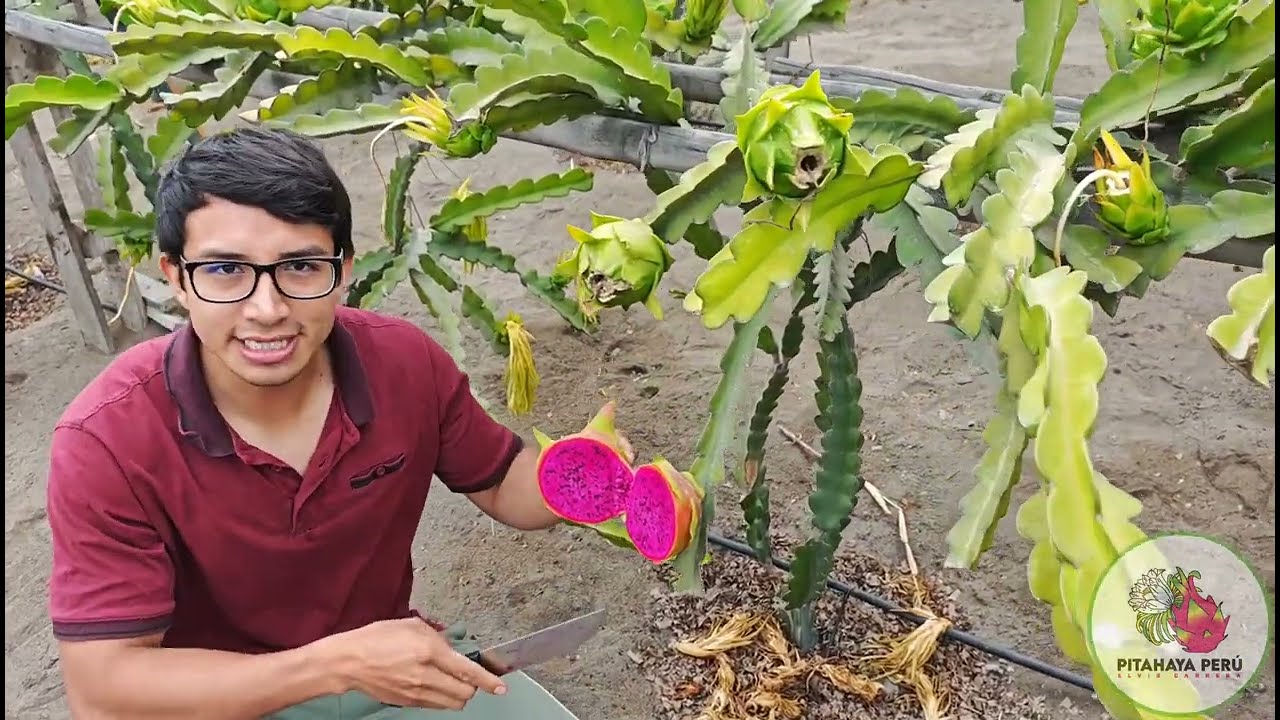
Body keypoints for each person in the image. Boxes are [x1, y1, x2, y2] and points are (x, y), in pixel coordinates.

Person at [43, 126, 629, 719]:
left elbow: (505, 485)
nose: (266, 310)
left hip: (385, 673)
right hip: (215, 699)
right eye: (225, 270)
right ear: (176, 278)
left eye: (300, 266)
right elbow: (105, 691)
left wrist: (588, 473)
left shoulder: (404, 363)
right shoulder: (107, 440)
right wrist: (335, 665)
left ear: (344, 269)